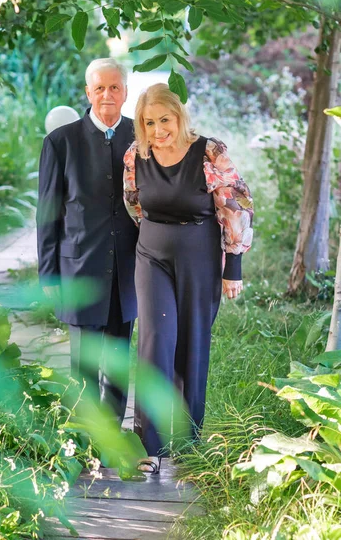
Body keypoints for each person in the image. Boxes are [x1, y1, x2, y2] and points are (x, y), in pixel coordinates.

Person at [123, 83, 253, 473]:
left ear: (179, 116)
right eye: (149, 122)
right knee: (155, 341)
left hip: (199, 254)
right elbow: (134, 204)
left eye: (165, 119)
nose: (158, 129)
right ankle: (151, 446)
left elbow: (237, 206)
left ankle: (188, 442)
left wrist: (234, 266)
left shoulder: (209, 152)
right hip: (152, 256)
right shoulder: (136, 155)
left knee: (192, 344)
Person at [37, 58, 138, 422]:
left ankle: (111, 439)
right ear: (88, 93)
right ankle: (83, 438)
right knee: (82, 364)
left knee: (117, 362)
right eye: (99, 88)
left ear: (126, 92)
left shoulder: (142, 137)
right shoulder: (61, 142)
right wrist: (48, 273)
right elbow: (47, 213)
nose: (107, 95)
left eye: (114, 87)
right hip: (78, 268)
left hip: (127, 269)